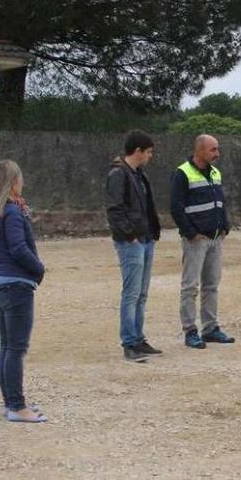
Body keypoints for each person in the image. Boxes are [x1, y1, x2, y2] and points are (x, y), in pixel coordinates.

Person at [0, 160, 48, 423]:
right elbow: (19, 248)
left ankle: (11, 402)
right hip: (15, 285)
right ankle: (18, 407)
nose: (23, 183)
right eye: (20, 179)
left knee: (7, 346)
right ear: (12, 183)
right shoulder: (12, 212)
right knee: (16, 347)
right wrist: (39, 269)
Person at [170, 134, 235, 349]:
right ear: (199, 150)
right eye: (213, 150)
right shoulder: (183, 173)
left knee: (211, 285)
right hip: (196, 240)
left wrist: (225, 226)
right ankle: (190, 330)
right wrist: (191, 233)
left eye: (217, 149)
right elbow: (175, 207)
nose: (217, 154)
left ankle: (210, 329)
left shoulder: (215, 172)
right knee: (190, 286)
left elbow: (221, 202)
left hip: (216, 238)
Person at [105, 129, 163, 363]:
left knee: (141, 293)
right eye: (148, 152)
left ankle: (137, 338)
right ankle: (129, 342)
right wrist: (130, 236)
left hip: (145, 238)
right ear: (137, 151)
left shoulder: (137, 174)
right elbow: (115, 209)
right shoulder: (119, 174)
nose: (150, 156)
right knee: (132, 293)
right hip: (133, 241)